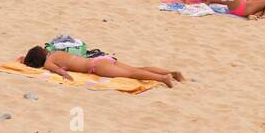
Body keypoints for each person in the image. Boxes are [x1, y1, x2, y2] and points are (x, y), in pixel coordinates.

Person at [20, 45, 184, 88]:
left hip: (96, 66)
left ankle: (164, 78)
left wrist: (66, 75)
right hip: (103, 58)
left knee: (132, 74)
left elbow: (56, 69)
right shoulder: (55, 52)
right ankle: (171, 72)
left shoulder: (49, 61)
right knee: (137, 68)